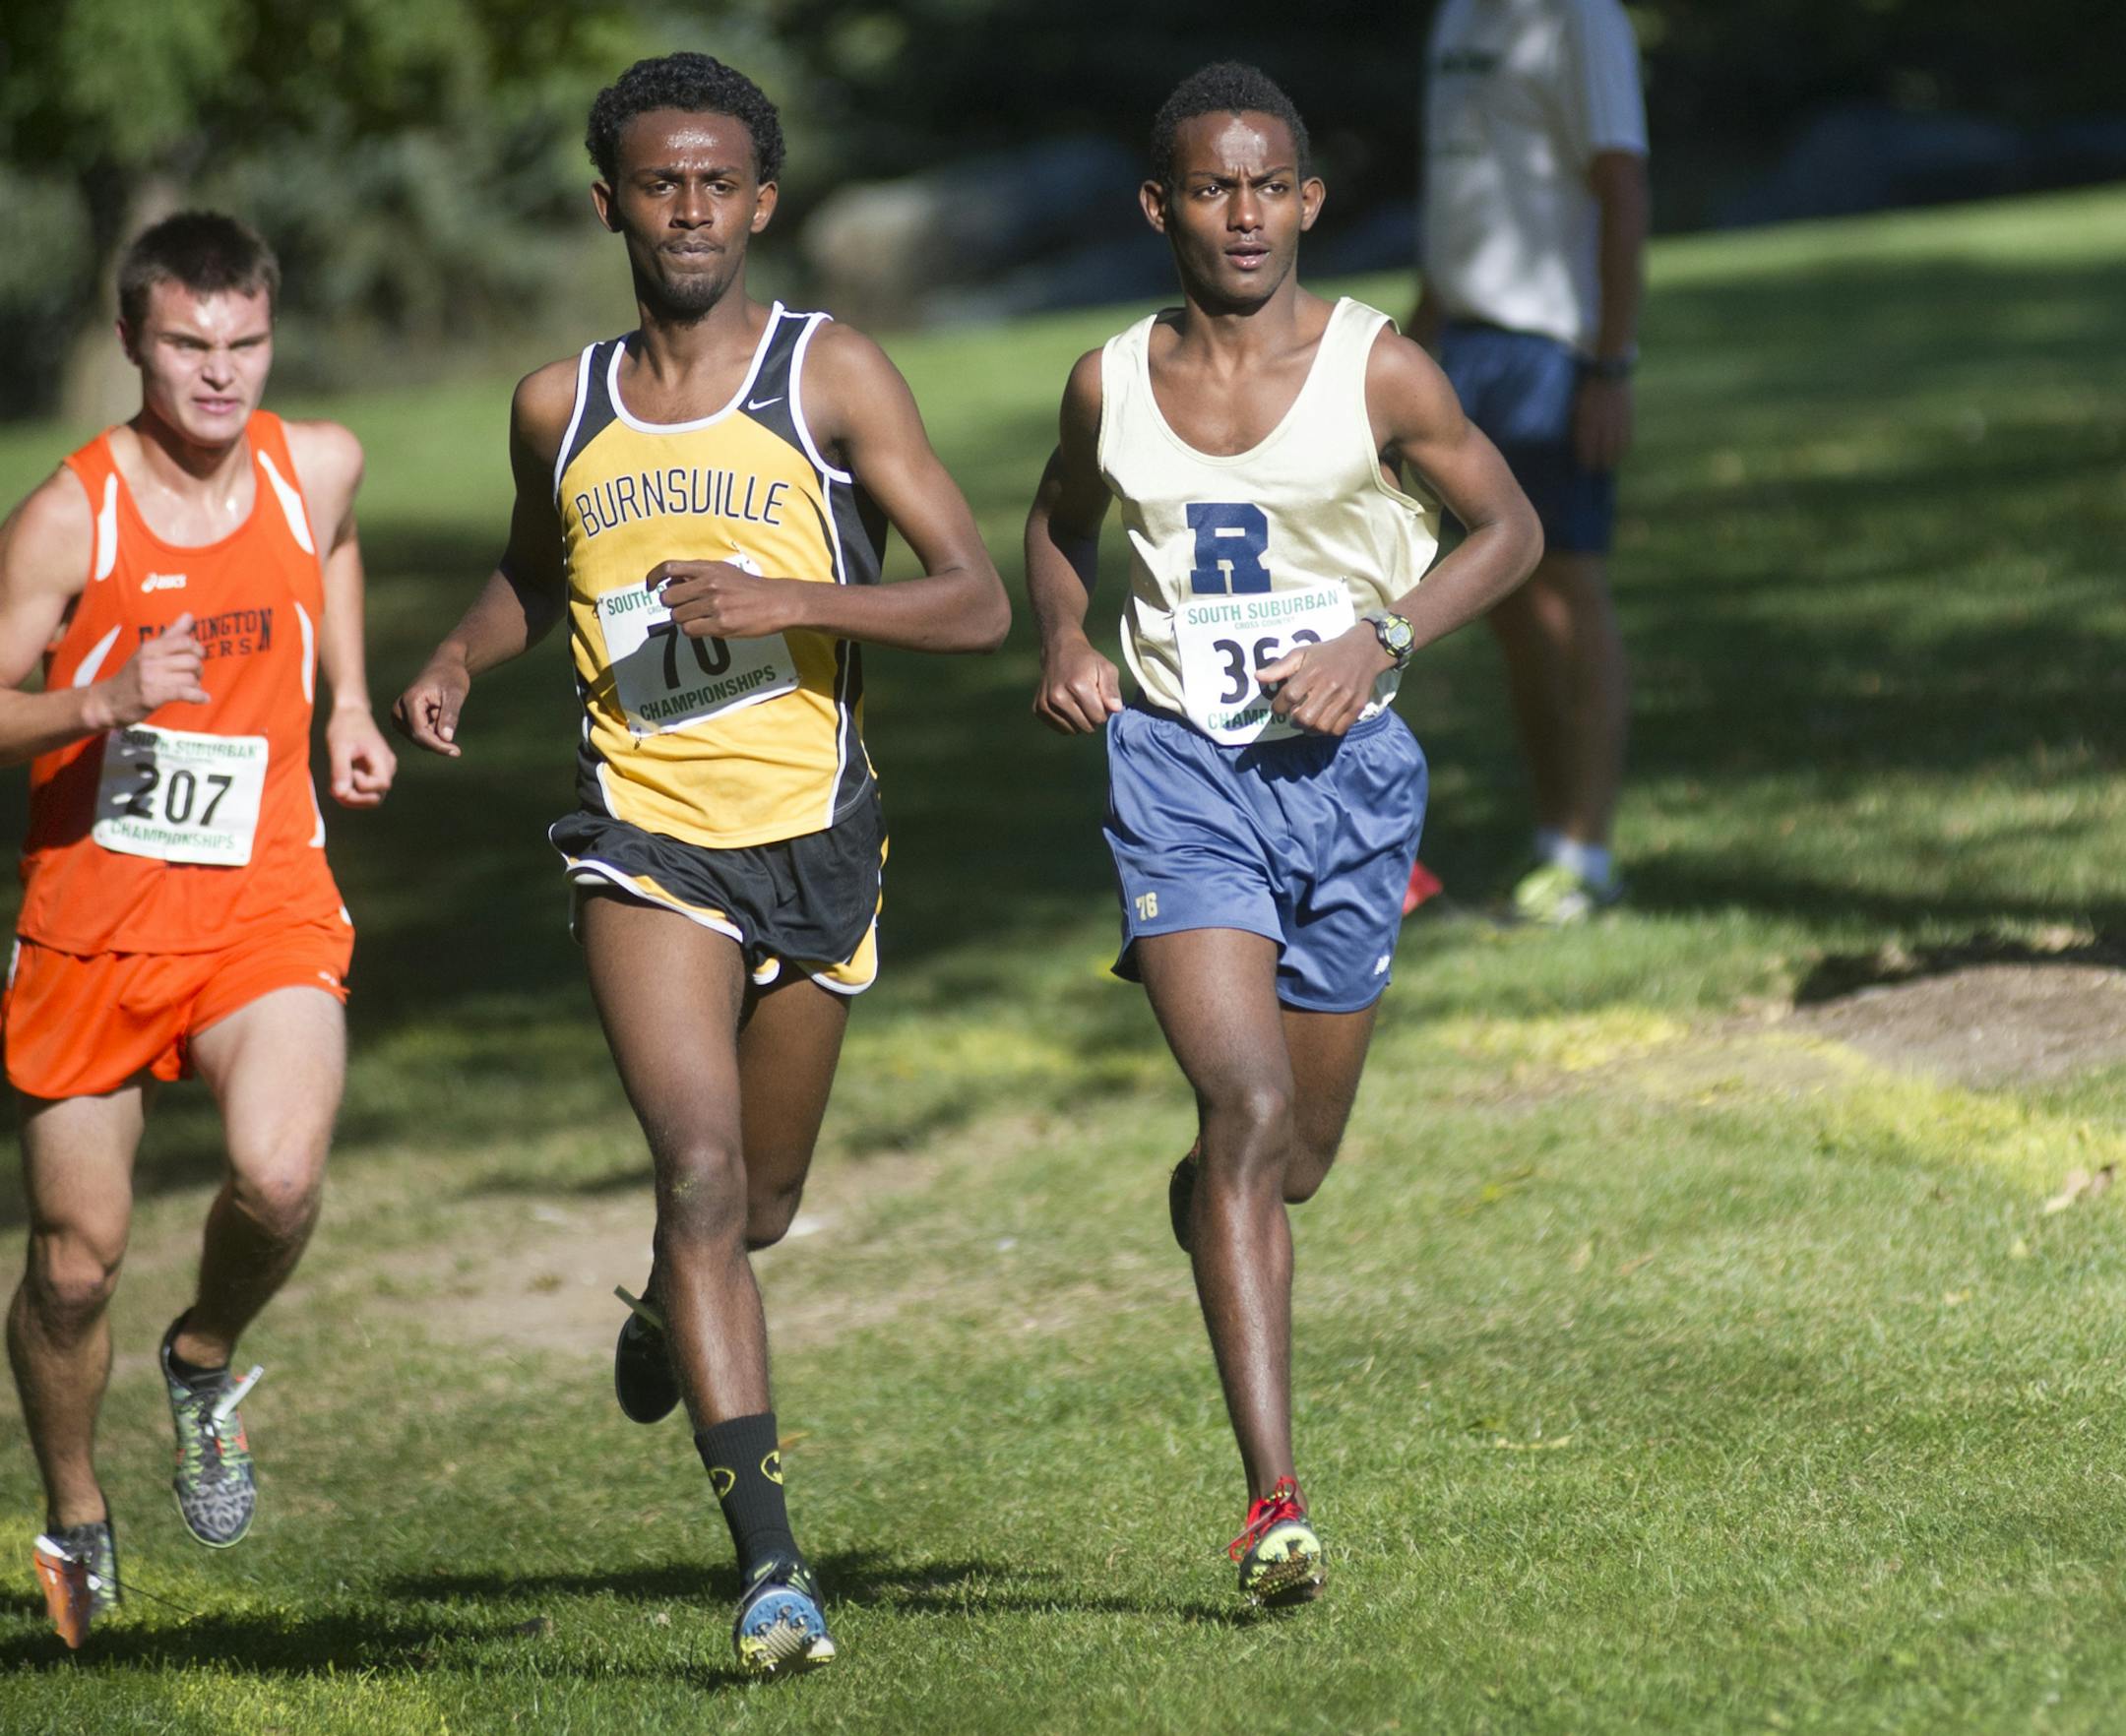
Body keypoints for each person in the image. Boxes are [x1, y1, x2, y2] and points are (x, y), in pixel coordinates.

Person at [393, 53, 1008, 1675]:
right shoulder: (561, 401)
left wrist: (789, 602)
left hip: (813, 832)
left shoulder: (831, 377)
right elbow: (539, 568)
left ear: (762, 201)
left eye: (716, 181)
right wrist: (461, 651)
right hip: (642, 833)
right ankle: (773, 1567)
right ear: (610, 203)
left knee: (766, 1195)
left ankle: (677, 1305)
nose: (687, 207)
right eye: (658, 182)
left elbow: (976, 599)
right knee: (702, 1172)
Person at [1024, 62, 1540, 1605]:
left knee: (1291, 1160)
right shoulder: (1108, 381)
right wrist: (1064, 641)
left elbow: (1507, 529)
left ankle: (1218, 1213)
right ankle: (1274, 1503)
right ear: (1159, 206)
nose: (1239, 213)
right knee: (1244, 1108)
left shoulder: (1383, 371)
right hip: (1180, 776)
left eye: (1267, 185)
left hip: (1353, 785)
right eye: (1208, 186)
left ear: (1308, 200)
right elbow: (1055, 523)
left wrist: (1380, 638)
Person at [0, 213, 397, 1646]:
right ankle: (75, 1509)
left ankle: (203, 1354)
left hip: (260, 902)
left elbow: (335, 547)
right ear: (131, 343)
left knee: (280, 1178)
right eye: (187, 346)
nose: (219, 377)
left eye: (244, 345)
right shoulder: (69, 515)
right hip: (89, 926)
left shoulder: (320, 463)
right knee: (71, 1262)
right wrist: (98, 701)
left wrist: (347, 700)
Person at [1412, 0, 1649, 923]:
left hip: (1551, 345)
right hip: (1463, 346)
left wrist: (1609, 364)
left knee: (1567, 587)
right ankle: (1552, 834)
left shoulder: (1580, 19)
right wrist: (1420, 343)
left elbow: (1622, 186)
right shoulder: (1458, 17)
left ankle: (1588, 852)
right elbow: (1462, 204)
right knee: (1506, 602)